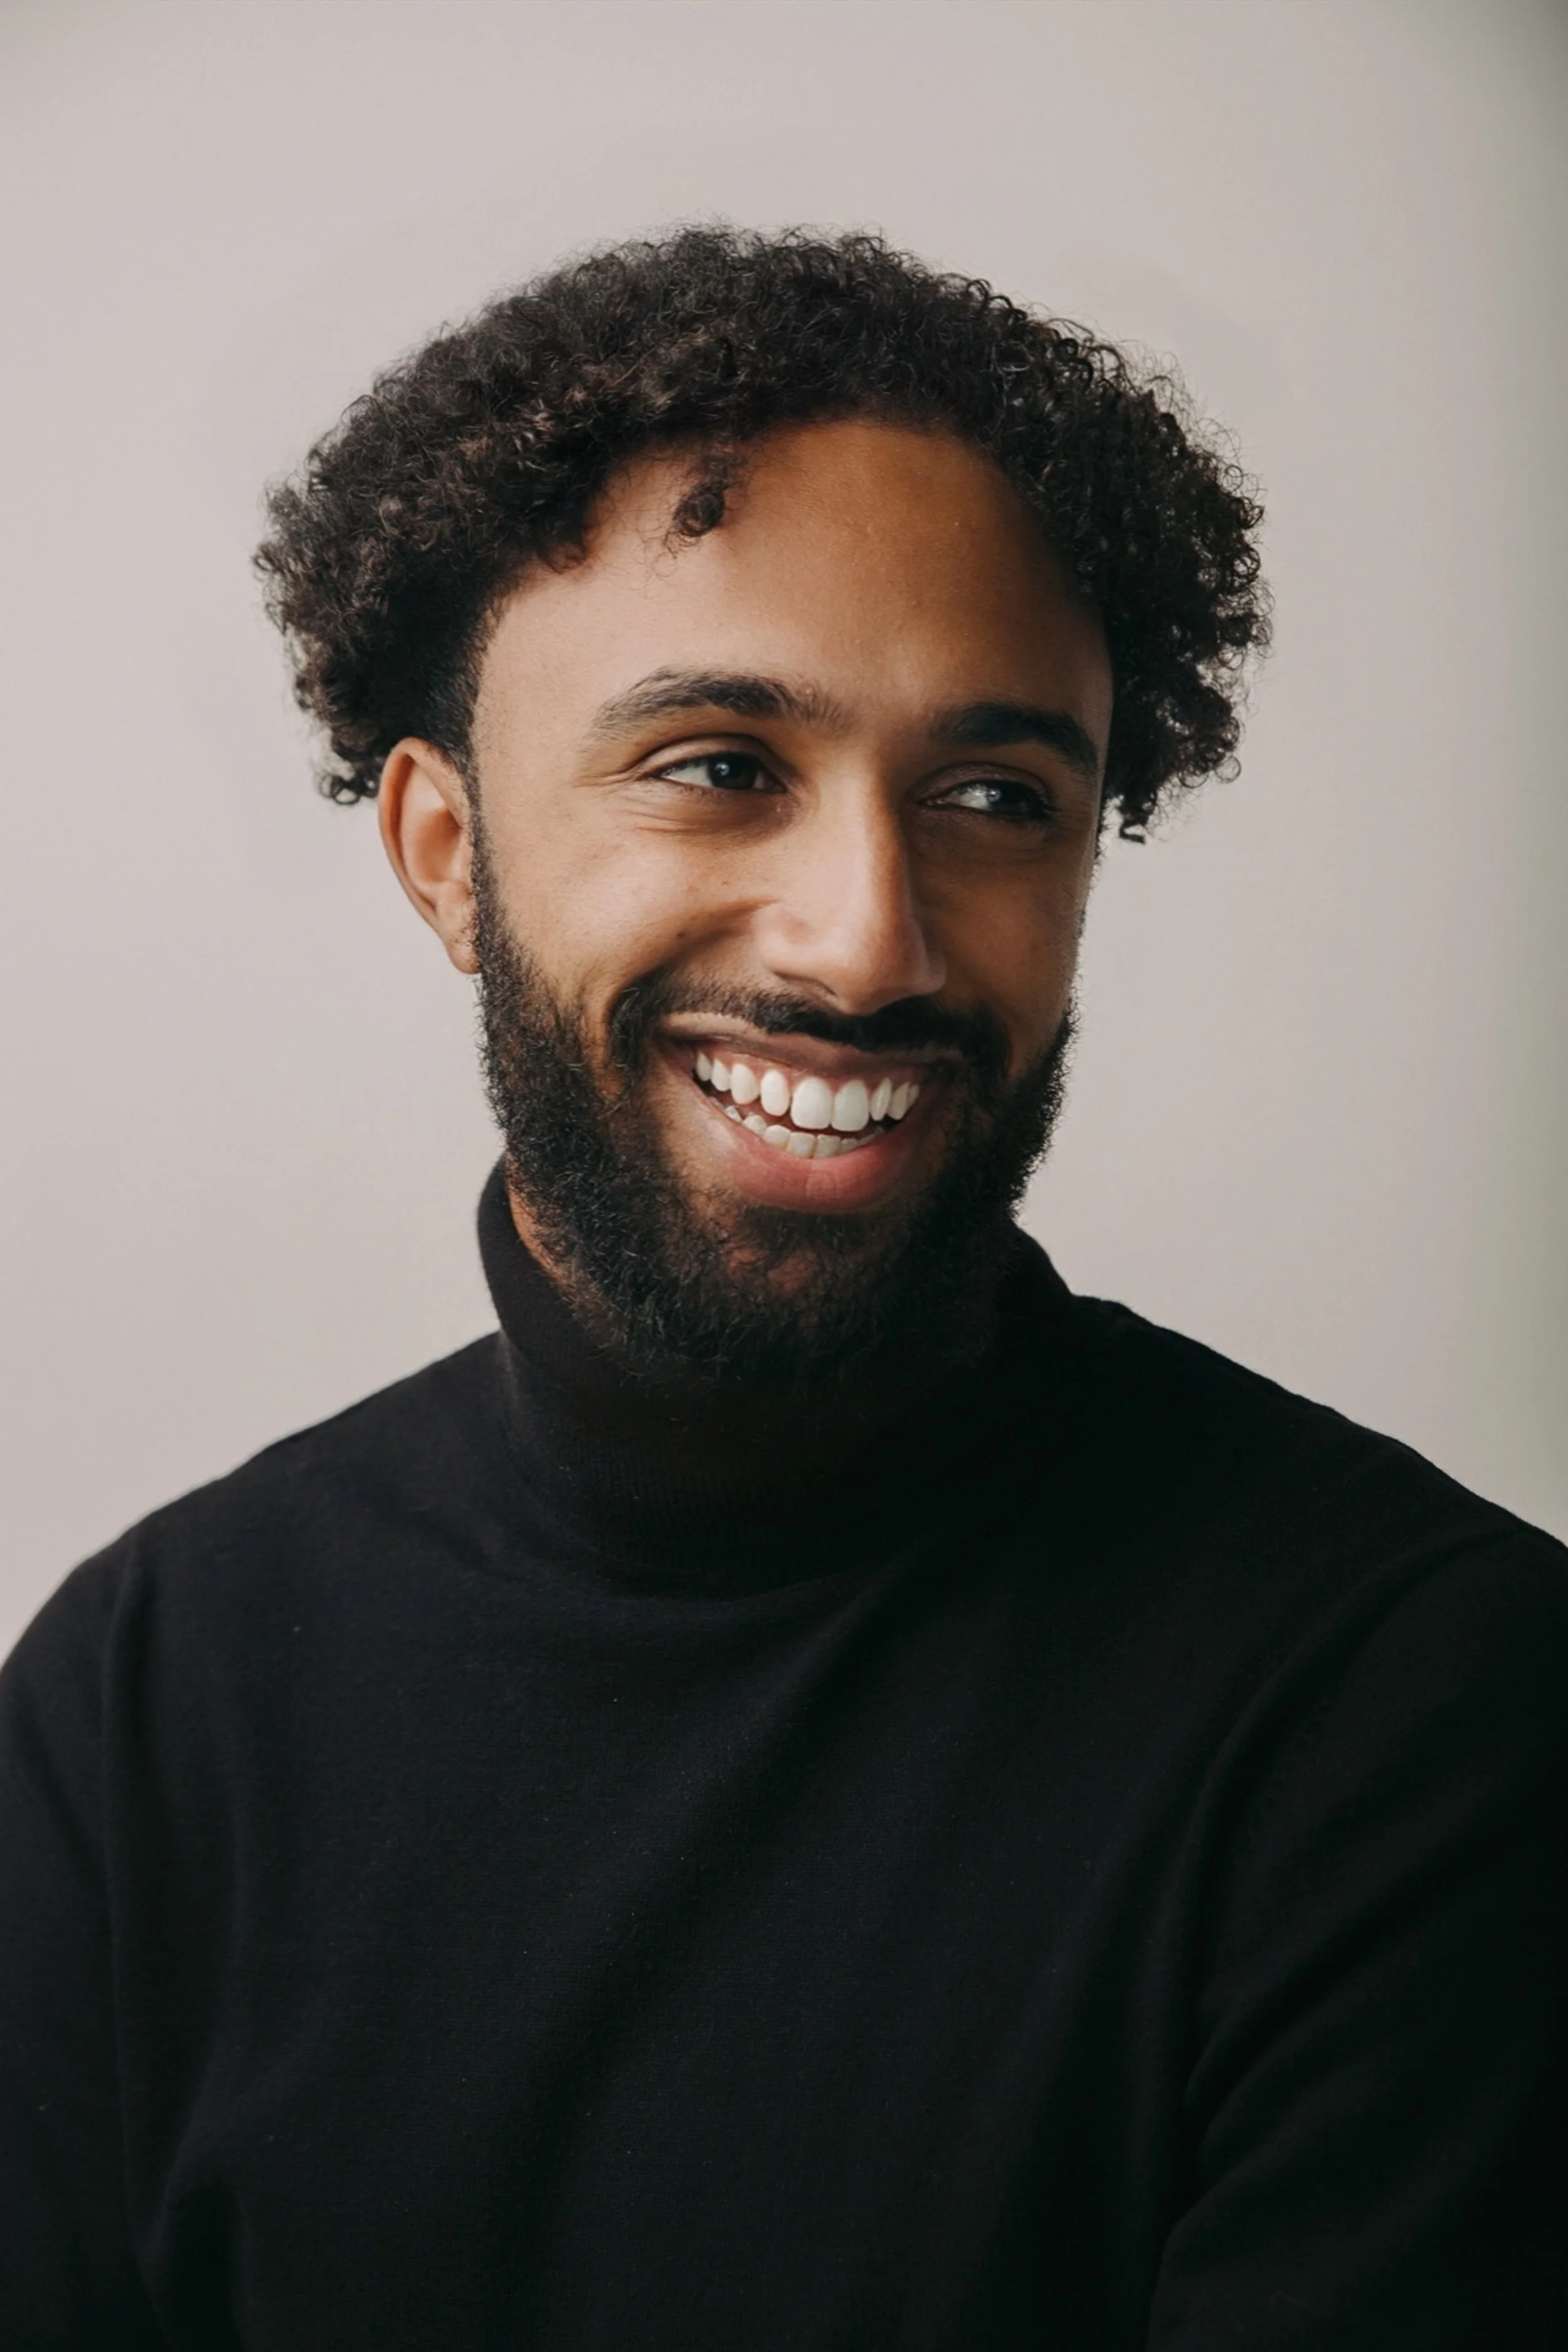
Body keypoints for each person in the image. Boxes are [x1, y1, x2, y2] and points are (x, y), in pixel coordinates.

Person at [2, 225, 1563, 2351]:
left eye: (995, 796)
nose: (867, 939)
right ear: (446, 853)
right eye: (720, 764)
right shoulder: (138, 1703)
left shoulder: (1419, 1706)